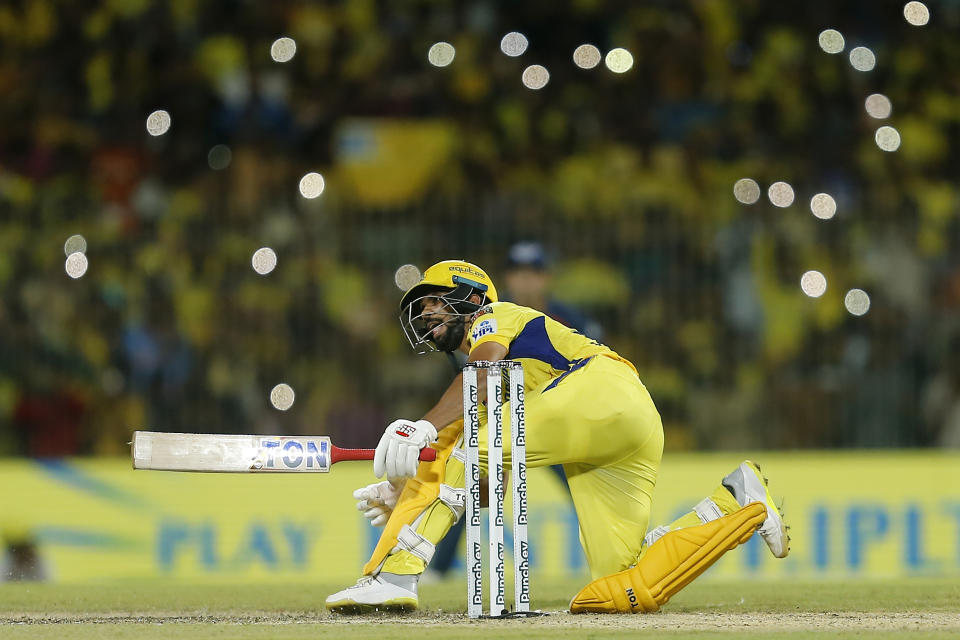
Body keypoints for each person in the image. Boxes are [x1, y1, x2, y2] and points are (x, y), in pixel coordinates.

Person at [325, 260, 789, 614]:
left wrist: (425, 426)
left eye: (434, 302)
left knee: (471, 446)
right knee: (620, 588)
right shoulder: (493, 380)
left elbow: (482, 375)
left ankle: (396, 576)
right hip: (626, 424)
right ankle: (737, 501)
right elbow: (487, 486)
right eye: (421, 308)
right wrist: (418, 493)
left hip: (600, 389)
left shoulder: (494, 317)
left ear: (470, 296)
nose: (425, 315)